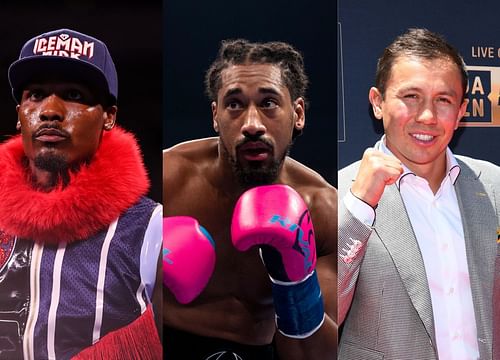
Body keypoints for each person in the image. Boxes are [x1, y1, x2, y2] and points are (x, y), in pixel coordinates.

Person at [163, 39, 337, 359]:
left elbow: (314, 354)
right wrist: (144, 260)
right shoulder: (167, 180)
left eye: (268, 103)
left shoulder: (323, 211)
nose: (252, 125)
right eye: (235, 104)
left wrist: (296, 284)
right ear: (216, 116)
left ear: (297, 114)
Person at [338, 28, 500, 360]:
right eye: (411, 97)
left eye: (443, 100)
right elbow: (321, 317)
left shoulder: (494, 186)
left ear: (460, 112)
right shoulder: (339, 192)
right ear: (378, 103)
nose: (426, 116)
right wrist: (358, 208)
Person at [0, 28, 162, 359]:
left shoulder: (150, 227)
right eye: (35, 95)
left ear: (109, 117)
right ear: (19, 115)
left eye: (73, 95)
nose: (49, 111)